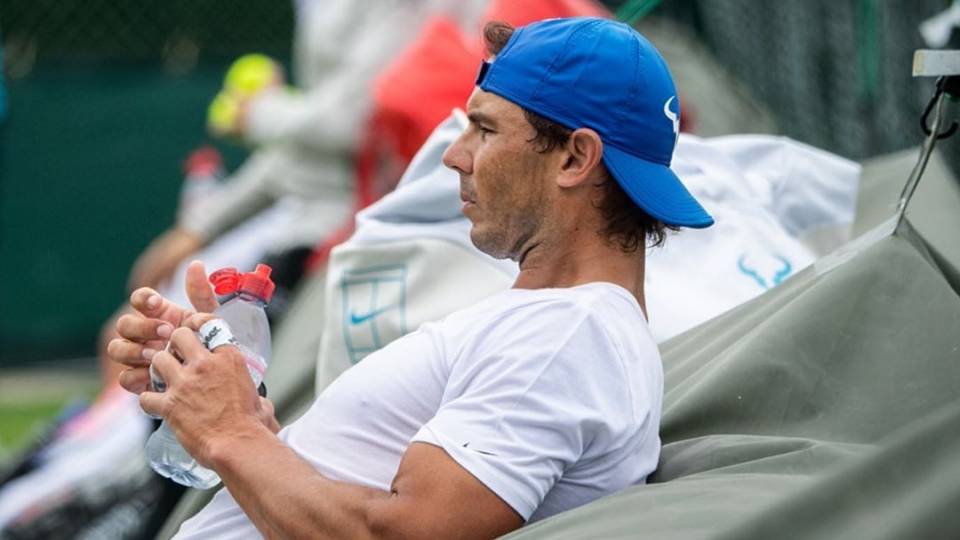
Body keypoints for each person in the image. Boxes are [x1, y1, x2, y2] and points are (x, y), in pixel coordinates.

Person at [109, 17, 714, 538]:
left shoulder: (564, 338)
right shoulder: (561, 328)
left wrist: (231, 433)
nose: (454, 154)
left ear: (576, 158)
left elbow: (400, 538)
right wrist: (239, 408)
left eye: (486, 129)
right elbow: (353, 491)